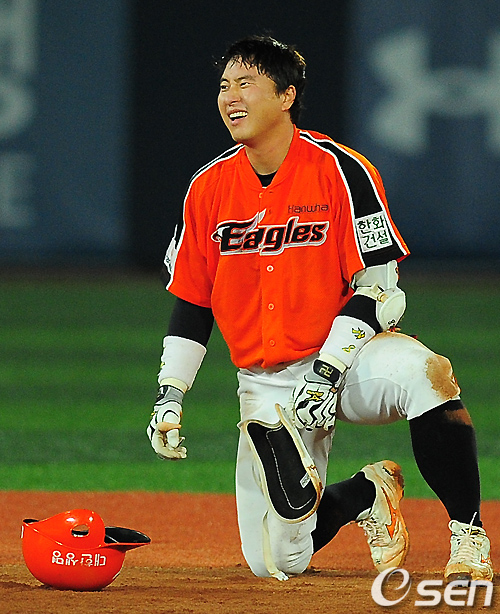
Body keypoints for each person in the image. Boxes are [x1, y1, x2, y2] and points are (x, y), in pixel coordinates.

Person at [147, 35, 493, 582]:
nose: (230, 97)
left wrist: (328, 371)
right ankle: (367, 492)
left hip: (349, 360)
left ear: (286, 95)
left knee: (427, 374)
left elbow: (380, 288)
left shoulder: (340, 169)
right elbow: (193, 299)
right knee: (276, 563)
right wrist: (171, 393)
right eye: (224, 85)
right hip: (267, 381)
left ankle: (468, 534)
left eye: (246, 84)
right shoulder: (207, 187)